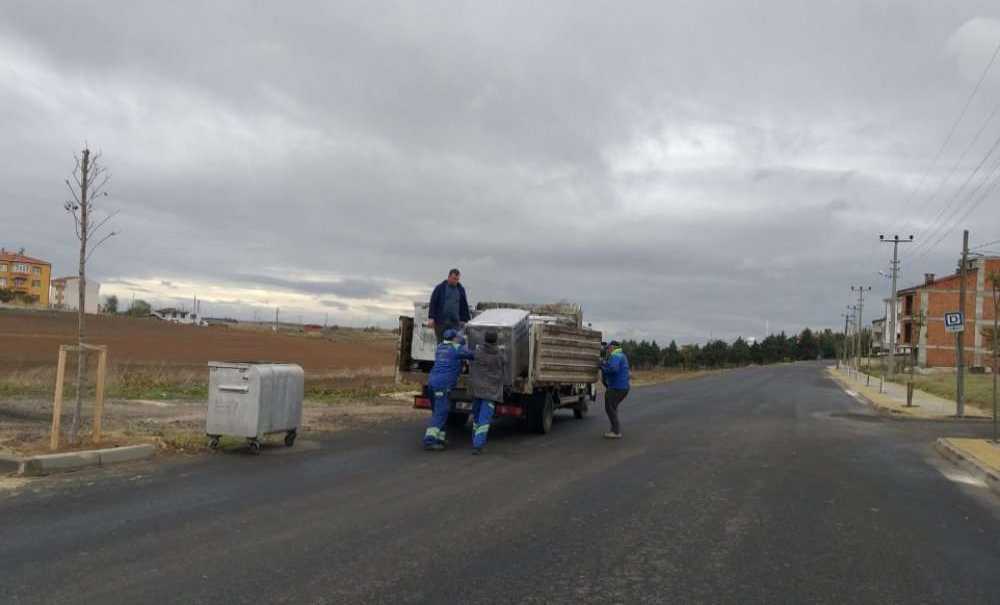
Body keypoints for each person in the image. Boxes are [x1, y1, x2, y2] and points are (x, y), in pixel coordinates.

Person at [423, 329, 474, 451]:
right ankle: (429, 440)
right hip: (442, 384)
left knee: (439, 412)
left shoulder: (440, 347)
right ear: (454, 338)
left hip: (432, 381)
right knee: (441, 412)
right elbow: (472, 355)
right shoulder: (456, 348)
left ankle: (440, 438)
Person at [468, 330, 505, 455]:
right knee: (484, 419)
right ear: (496, 341)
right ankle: (478, 445)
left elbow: (469, 355)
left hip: (477, 390)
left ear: (484, 339)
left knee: (477, 417)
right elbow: (506, 361)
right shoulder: (499, 354)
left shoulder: (478, 352)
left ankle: (475, 440)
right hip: (490, 392)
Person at [428, 268, 471, 343]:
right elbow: (433, 302)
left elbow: (464, 305)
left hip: (455, 323)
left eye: (457, 279)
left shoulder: (460, 289)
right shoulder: (440, 288)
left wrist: (465, 320)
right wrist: (431, 317)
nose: (456, 281)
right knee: (441, 343)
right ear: (449, 277)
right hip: (441, 322)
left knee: (455, 344)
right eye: (454, 279)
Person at [601, 340, 630, 439]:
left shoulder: (616, 355)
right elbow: (612, 366)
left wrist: (602, 366)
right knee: (613, 407)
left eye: (608, 348)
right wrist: (604, 363)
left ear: (612, 347)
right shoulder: (621, 355)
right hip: (622, 387)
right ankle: (614, 429)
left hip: (617, 387)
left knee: (609, 408)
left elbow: (613, 369)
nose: (607, 350)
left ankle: (616, 431)